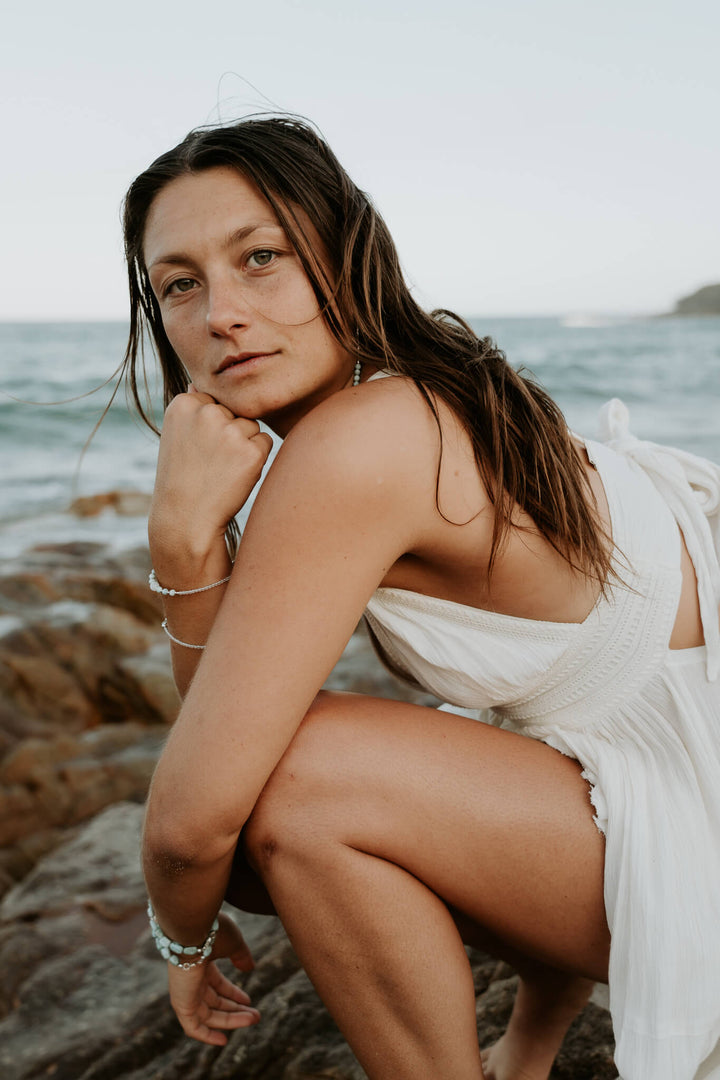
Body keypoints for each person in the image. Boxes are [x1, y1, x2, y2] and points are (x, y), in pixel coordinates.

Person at [121, 115, 720, 1080]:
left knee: (296, 781)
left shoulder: (360, 443)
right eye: (181, 284)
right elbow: (574, 721)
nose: (221, 311)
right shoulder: (437, 382)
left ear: (341, 254)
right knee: (278, 768)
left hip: (701, 829)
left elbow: (197, 816)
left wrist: (182, 941)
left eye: (261, 257)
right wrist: (531, 1045)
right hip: (676, 767)